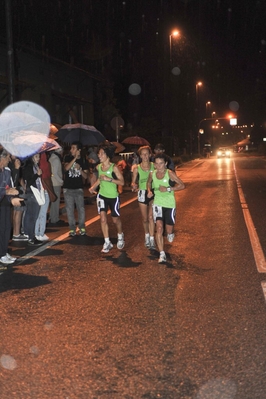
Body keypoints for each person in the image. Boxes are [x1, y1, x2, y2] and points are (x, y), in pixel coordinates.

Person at [147, 152, 185, 263]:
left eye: (161, 164)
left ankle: (171, 233)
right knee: (159, 228)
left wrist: (168, 189)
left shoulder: (170, 173)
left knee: (169, 229)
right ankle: (162, 254)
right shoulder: (152, 174)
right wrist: (149, 191)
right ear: (154, 164)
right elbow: (149, 183)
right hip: (158, 203)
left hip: (169, 204)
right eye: (157, 164)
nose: (159, 166)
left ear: (166, 164)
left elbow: (182, 185)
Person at [89, 143, 125, 253]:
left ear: (107, 155)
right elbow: (100, 179)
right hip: (102, 196)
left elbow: (122, 182)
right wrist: (93, 187)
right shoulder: (99, 167)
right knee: (103, 218)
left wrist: (109, 179)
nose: (99, 155)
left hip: (113, 197)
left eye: (100, 153)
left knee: (115, 220)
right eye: (98, 153)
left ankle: (120, 235)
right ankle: (107, 242)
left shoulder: (114, 168)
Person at [0, 148, 24, 269]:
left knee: (6, 228)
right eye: (8, 157)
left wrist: (17, 169)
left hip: (4, 202)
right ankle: (1, 254)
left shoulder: (7, 170)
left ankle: (4, 252)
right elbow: (5, 189)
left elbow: (12, 184)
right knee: (1, 229)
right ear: (2, 159)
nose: (10, 159)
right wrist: (6, 191)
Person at [131, 145, 156, 250]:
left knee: (151, 217)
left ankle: (152, 238)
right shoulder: (137, 168)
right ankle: (146, 235)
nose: (145, 156)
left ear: (150, 155)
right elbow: (133, 182)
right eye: (143, 154)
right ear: (140, 156)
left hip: (153, 192)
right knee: (145, 218)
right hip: (142, 193)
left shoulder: (154, 166)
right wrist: (133, 185)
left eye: (147, 154)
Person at [63, 141, 88, 236]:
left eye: (73, 148)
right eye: (71, 148)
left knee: (81, 208)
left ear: (79, 150)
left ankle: (82, 227)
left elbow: (86, 177)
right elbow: (66, 168)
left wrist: (80, 169)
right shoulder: (67, 157)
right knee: (69, 209)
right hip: (67, 188)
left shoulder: (84, 160)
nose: (71, 150)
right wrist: (74, 159)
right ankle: (72, 228)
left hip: (78, 188)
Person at [22, 153, 43, 246]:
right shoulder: (29, 167)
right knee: (32, 216)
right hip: (32, 193)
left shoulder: (34, 166)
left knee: (30, 215)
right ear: (31, 157)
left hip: (34, 193)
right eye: (36, 156)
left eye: (39, 156)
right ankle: (31, 236)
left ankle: (28, 234)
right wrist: (37, 175)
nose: (38, 158)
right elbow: (29, 181)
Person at [35, 152, 57, 241]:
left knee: (37, 213)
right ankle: (41, 233)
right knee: (43, 213)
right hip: (45, 190)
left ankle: (36, 232)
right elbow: (48, 175)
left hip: (37, 190)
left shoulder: (35, 165)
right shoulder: (46, 164)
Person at [9, 155, 28, 241]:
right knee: (18, 211)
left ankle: (15, 232)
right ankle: (16, 233)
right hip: (17, 188)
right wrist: (23, 186)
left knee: (16, 211)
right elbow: (17, 176)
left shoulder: (12, 161)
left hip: (15, 188)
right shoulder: (14, 162)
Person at [48, 148, 65, 225]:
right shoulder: (56, 159)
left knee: (54, 201)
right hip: (56, 183)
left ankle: (53, 217)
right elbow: (54, 172)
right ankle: (54, 218)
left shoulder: (52, 158)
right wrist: (61, 181)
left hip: (53, 182)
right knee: (55, 202)